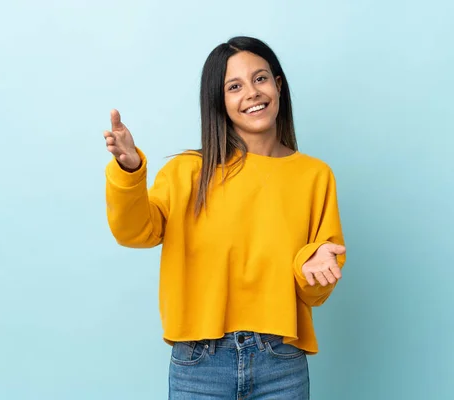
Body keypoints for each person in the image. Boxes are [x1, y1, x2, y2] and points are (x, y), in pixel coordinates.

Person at [103, 36, 346, 399]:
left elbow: (314, 291)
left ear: (278, 86)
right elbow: (134, 231)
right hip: (200, 362)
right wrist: (130, 168)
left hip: (281, 359)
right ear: (220, 100)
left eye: (260, 79)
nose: (251, 92)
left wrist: (315, 271)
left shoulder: (314, 176)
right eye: (234, 86)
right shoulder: (187, 171)